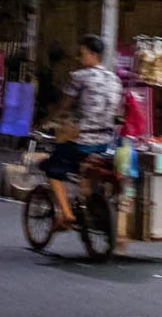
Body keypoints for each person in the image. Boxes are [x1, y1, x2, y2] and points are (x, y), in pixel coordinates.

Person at [43, 34, 123, 229]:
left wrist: (47, 122)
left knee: (53, 169)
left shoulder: (79, 77)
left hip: (83, 142)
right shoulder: (115, 80)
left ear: (93, 54)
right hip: (106, 142)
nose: (80, 59)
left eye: (82, 54)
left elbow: (64, 106)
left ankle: (67, 214)